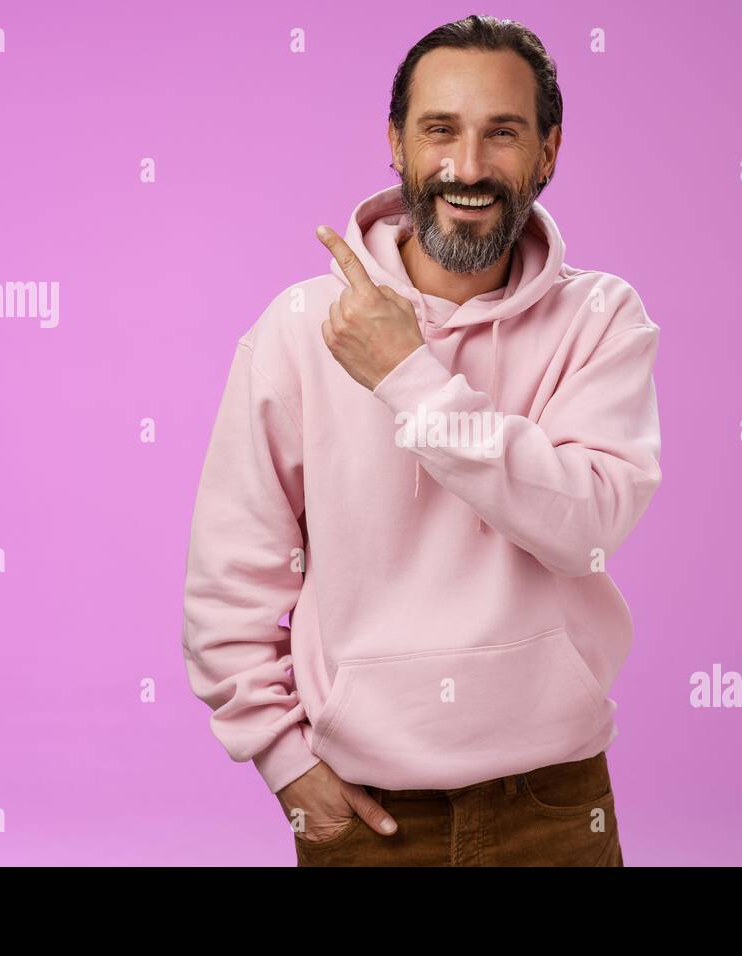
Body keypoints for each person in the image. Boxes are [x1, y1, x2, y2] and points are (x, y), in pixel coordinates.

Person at [181, 14, 661, 866]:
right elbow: (232, 573)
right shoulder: (299, 329)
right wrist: (285, 762)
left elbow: (587, 525)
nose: (468, 167)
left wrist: (408, 376)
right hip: (368, 813)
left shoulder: (601, 319)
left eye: (502, 134)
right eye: (440, 129)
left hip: (555, 801)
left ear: (548, 152)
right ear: (396, 143)